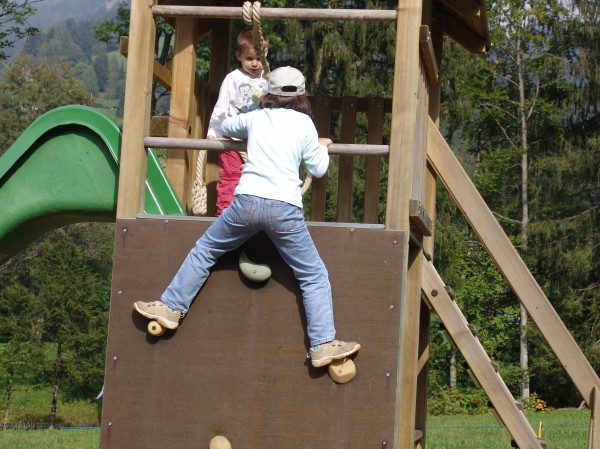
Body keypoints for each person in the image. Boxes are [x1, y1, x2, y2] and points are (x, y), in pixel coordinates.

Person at [133, 66, 361, 369]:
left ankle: (171, 308)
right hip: (284, 209)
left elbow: (228, 125)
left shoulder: (256, 117)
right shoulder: (305, 124)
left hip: (246, 203)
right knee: (313, 275)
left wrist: (249, 124)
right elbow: (318, 169)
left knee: (206, 250)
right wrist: (322, 146)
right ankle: (321, 344)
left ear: (269, 92)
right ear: (302, 94)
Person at [208, 28, 269, 216]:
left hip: (258, 140)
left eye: (259, 58)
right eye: (249, 58)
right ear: (239, 55)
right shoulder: (233, 78)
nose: (255, 63)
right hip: (232, 139)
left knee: (260, 178)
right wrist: (213, 131)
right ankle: (224, 213)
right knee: (230, 176)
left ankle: (254, 215)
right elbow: (222, 106)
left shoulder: (267, 79)